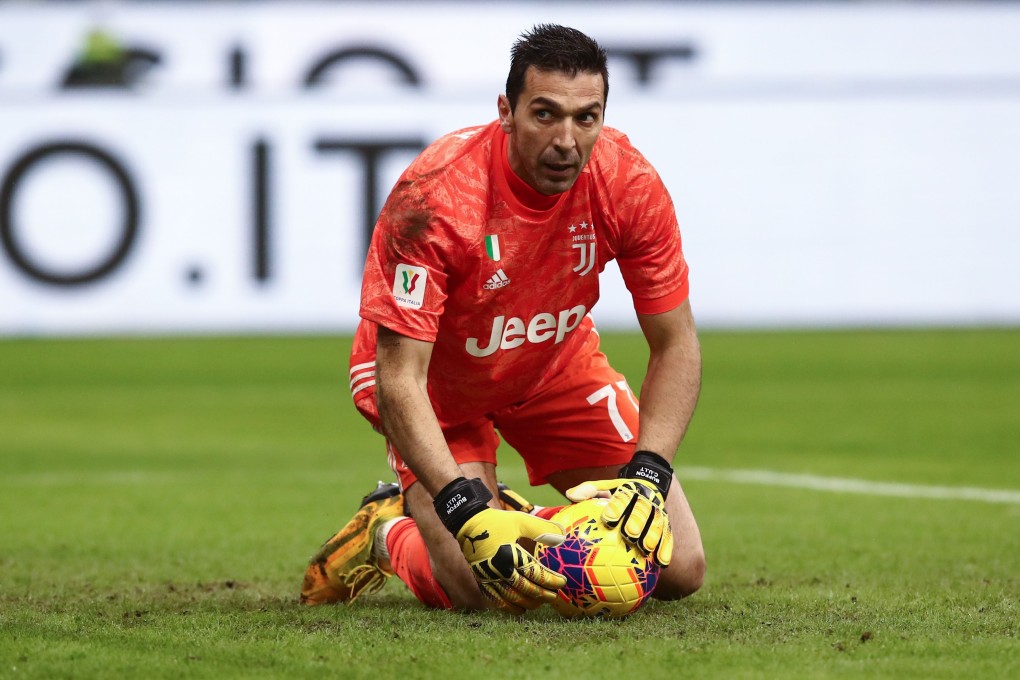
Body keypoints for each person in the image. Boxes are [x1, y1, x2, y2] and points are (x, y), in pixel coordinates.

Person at [301, 23, 705, 613]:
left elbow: (677, 345)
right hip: (435, 384)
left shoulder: (628, 185)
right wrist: (462, 510)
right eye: (545, 114)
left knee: (679, 567)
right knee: (485, 588)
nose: (566, 140)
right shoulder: (436, 196)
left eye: (585, 118)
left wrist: (649, 474)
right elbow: (399, 378)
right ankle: (387, 532)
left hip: (551, 362)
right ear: (506, 112)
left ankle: (499, 513)